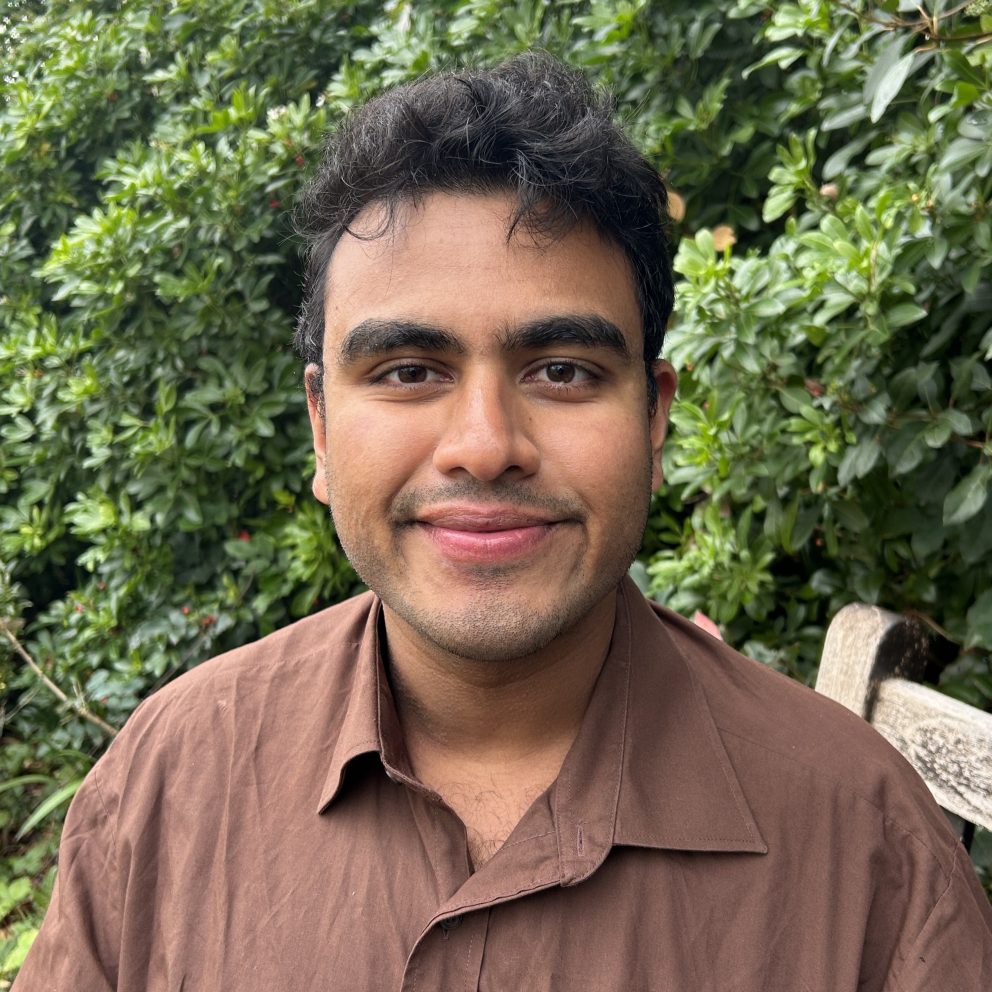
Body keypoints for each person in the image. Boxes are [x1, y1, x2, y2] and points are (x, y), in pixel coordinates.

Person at [14, 52, 991, 992]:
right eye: (409, 371)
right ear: (320, 426)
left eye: (561, 370)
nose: (484, 446)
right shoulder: (167, 785)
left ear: (653, 420)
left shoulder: (868, 848)